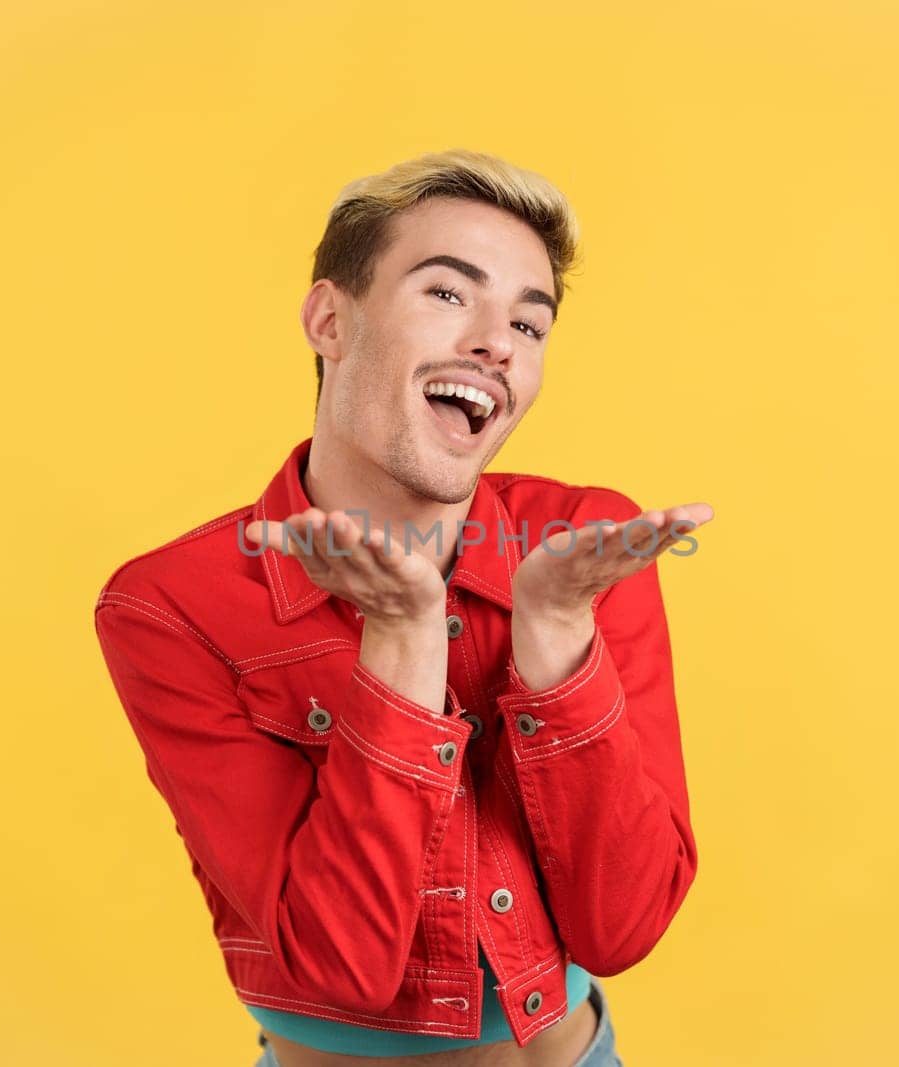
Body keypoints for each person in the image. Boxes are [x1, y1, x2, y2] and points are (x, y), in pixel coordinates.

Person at [92, 149, 712, 1066]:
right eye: (449, 294)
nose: (499, 342)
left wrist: (556, 641)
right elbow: (340, 959)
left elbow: (622, 926)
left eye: (530, 324)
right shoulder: (171, 606)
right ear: (329, 318)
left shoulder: (584, 542)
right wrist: (402, 640)